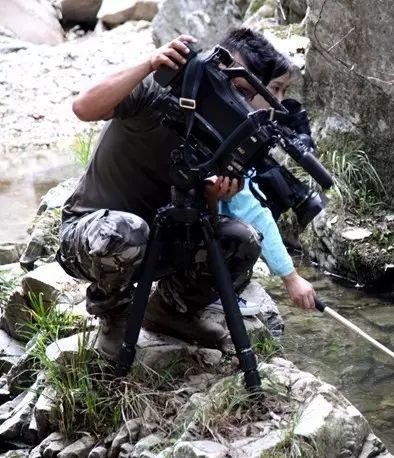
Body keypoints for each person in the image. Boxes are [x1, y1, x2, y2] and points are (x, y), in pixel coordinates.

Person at [58, 28, 316, 361]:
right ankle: (113, 314)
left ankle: (171, 311)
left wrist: (213, 196)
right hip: (90, 237)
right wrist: (149, 64)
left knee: (241, 239)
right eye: (271, 91)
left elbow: (204, 222)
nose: (275, 103)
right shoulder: (160, 90)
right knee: (126, 231)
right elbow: (83, 107)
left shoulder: (226, 137)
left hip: (157, 245)